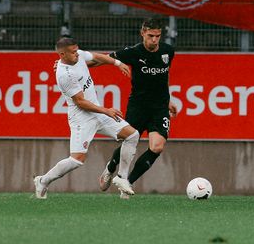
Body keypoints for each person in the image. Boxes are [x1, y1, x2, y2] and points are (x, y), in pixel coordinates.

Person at [33, 37, 139, 199]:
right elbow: (81, 102)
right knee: (77, 160)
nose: (77, 54)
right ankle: (43, 180)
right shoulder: (64, 75)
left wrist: (117, 64)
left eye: (77, 50)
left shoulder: (78, 55)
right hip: (82, 118)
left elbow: (97, 57)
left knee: (132, 135)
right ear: (62, 54)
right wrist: (105, 110)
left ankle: (122, 179)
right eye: (73, 52)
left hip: (98, 112)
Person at [96, 18, 177, 199]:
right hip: (138, 106)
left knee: (157, 147)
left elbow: (164, 77)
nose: (154, 40)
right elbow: (104, 59)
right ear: (142, 34)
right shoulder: (133, 52)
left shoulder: (168, 51)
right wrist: (75, 64)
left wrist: (168, 100)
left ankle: (127, 182)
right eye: (150, 36)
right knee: (129, 141)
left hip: (159, 107)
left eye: (157, 36)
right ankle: (110, 167)